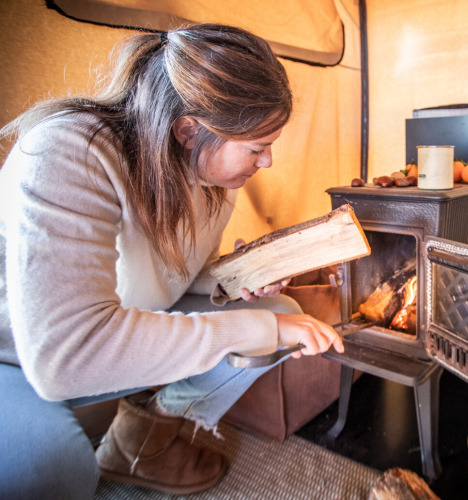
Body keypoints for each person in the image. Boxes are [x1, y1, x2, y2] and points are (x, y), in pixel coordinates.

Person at [0, 23, 344, 498]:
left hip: (122, 320)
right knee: (55, 473)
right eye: (258, 148)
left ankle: (143, 440)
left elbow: (170, 276)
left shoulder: (210, 180)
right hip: (16, 357)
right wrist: (254, 330)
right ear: (189, 130)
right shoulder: (70, 152)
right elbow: (66, 356)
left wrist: (235, 278)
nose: (266, 163)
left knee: (281, 313)